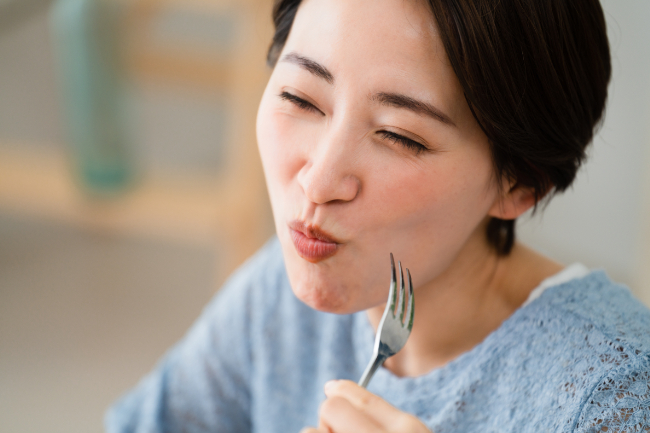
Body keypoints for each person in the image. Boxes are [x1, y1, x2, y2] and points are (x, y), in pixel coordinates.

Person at [106, 0, 650, 432]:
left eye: (398, 135)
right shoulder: (281, 295)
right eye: (300, 97)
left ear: (521, 184)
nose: (318, 182)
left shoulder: (612, 395)